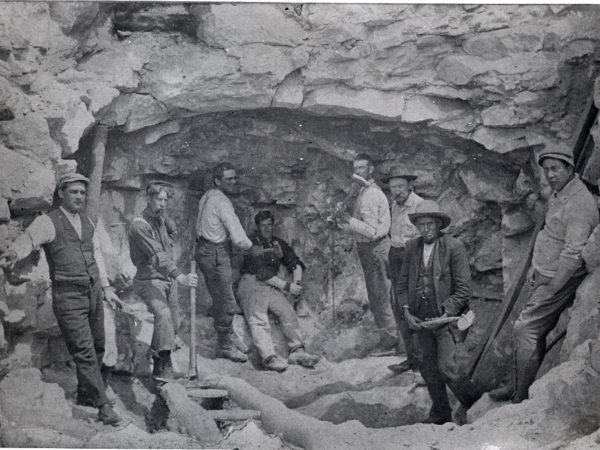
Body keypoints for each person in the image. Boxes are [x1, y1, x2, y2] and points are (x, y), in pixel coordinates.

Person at [1, 173, 122, 426]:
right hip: (68, 296)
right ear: (61, 194)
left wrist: (107, 288)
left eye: (82, 192)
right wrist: (13, 253)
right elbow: (29, 241)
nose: (79, 196)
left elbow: (96, 255)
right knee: (85, 351)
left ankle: (86, 394)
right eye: (74, 192)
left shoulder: (87, 221)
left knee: (99, 345)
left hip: (94, 292)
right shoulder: (48, 221)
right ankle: (103, 406)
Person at [489, 147, 599, 404]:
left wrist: (551, 288)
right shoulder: (561, 193)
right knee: (529, 331)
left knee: (525, 329)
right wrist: (535, 268)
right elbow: (551, 234)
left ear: (570, 169)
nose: (550, 175)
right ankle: (519, 383)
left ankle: (520, 395)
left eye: (555, 169)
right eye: (546, 169)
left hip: (559, 279)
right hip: (544, 274)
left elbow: (572, 257)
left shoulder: (580, 205)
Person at [396, 199, 480, 425]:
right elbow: (402, 285)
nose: (426, 228)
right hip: (420, 320)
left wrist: (446, 313)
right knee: (428, 369)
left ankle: (476, 405)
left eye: (430, 224)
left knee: (448, 367)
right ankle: (441, 414)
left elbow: (464, 290)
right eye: (421, 224)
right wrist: (406, 311)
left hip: (446, 321)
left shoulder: (453, 247)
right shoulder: (412, 248)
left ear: (438, 224)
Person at [128, 181, 198, 381]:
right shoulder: (139, 225)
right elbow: (159, 256)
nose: (163, 204)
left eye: (165, 200)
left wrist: (168, 238)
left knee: (173, 323)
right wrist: (180, 276)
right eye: (158, 199)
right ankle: (162, 366)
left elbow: (172, 231)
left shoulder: (161, 219)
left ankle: (156, 353)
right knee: (164, 314)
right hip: (148, 280)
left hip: (167, 280)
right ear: (148, 199)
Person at [237, 210, 319, 372]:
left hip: (270, 286)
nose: (267, 229)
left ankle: (297, 351)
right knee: (259, 318)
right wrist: (289, 287)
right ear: (257, 227)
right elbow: (262, 274)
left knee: (287, 312)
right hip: (251, 283)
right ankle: (268, 358)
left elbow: (295, 263)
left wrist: (296, 283)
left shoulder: (277, 243)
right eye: (263, 226)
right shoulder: (252, 244)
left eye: (269, 225)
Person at [335, 153, 396, 351]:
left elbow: (371, 231)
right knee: (376, 295)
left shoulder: (371, 194)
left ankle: (392, 341)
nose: (357, 172)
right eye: (355, 169)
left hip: (375, 248)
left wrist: (348, 219)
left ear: (371, 170)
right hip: (368, 249)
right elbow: (359, 227)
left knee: (381, 297)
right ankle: (388, 340)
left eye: (362, 168)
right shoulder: (363, 192)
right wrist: (339, 221)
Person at [195, 162, 252, 362]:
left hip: (203, 249)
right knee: (227, 301)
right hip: (216, 252)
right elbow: (239, 237)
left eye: (234, 178)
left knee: (219, 296)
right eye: (228, 179)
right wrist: (252, 247)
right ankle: (224, 347)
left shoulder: (207, 195)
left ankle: (229, 335)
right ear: (217, 181)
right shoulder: (222, 203)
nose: (233, 182)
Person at [384, 167, 425, 374]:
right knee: (399, 308)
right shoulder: (394, 205)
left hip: (413, 258)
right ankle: (411, 358)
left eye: (400, 186)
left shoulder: (419, 205)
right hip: (396, 255)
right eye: (393, 187)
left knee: (414, 308)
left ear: (410, 185)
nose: (397, 191)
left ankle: (423, 362)